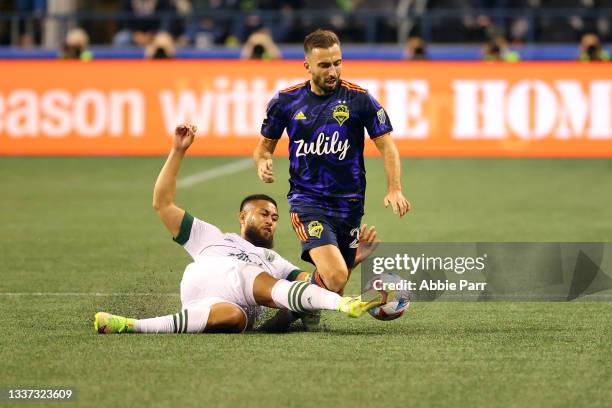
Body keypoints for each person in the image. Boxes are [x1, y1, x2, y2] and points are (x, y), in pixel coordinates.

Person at [94, 124, 382, 334]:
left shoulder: (275, 262)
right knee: (255, 278)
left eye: (275, 216)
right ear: (242, 217)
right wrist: (177, 151)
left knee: (237, 319)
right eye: (263, 213)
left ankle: (130, 326)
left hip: (211, 303)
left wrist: (347, 263)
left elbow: (321, 283)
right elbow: (163, 203)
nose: (271, 219)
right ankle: (344, 305)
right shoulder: (210, 236)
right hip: (210, 276)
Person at [253, 29, 410, 302]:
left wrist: (394, 189)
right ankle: (276, 291)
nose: (333, 71)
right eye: (324, 65)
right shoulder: (286, 102)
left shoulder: (360, 100)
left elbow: (388, 148)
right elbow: (263, 148)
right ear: (307, 66)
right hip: (308, 201)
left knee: (334, 287)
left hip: (349, 204)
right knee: (337, 275)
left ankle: (284, 295)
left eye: (337, 63)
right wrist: (263, 161)